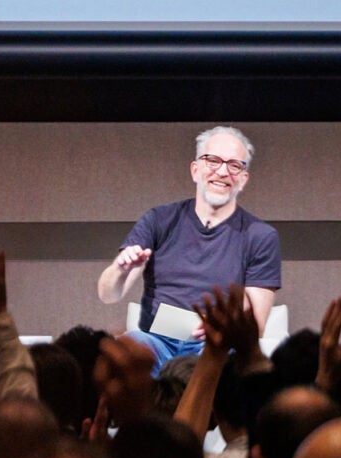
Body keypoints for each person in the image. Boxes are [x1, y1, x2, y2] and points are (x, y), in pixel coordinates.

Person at [97, 126, 282, 370]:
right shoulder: (158, 220)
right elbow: (108, 294)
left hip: (217, 343)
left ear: (243, 179)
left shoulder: (261, 236)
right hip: (156, 340)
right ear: (195, 170)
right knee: (127, 349)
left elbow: (256, 324)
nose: (223, 171)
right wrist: (121, 269)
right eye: (213, 161)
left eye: (234, 165)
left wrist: (223, 327)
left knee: (232, 364)